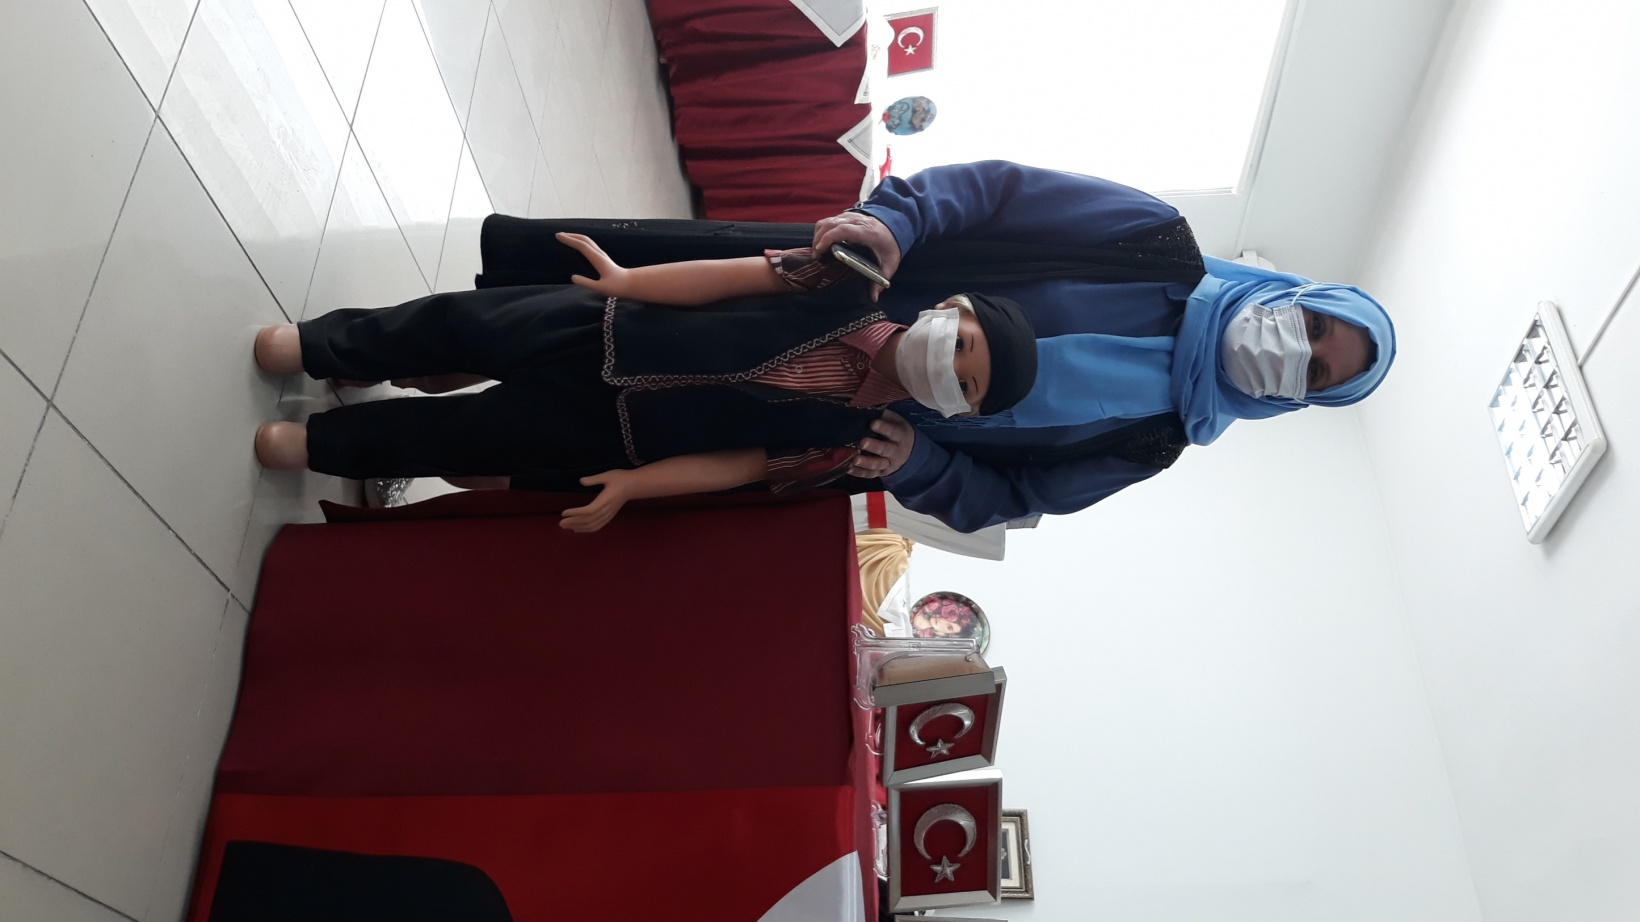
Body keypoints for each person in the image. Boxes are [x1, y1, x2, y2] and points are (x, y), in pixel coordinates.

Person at [473, 160, 1398, 532]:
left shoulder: (1154, 440)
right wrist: (894, 222)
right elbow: (995, 193)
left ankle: (460, 436)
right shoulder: (1150, 244)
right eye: (1313, 327)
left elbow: (1014, 497)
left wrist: (919, 464)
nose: (1292, 351)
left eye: (1313, 373)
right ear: (1299, 295)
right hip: (820, 290)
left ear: (1298, 402)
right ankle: (451, 349)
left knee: (586, 436)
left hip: (820, 423)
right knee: (572, 316)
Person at [251, 234, 1037, 532]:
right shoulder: (844, 280)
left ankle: (319, 444)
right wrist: (630, 280)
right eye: (963, 344)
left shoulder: (848, 445)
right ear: (950, 308)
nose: (948, 365)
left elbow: (738, 466)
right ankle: (321, 345)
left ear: (959, 412)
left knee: (458, 439)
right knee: (455, 325)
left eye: (964, 384)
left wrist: (633, 486)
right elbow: (731, 278)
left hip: (608, 433)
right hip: (605, 323)